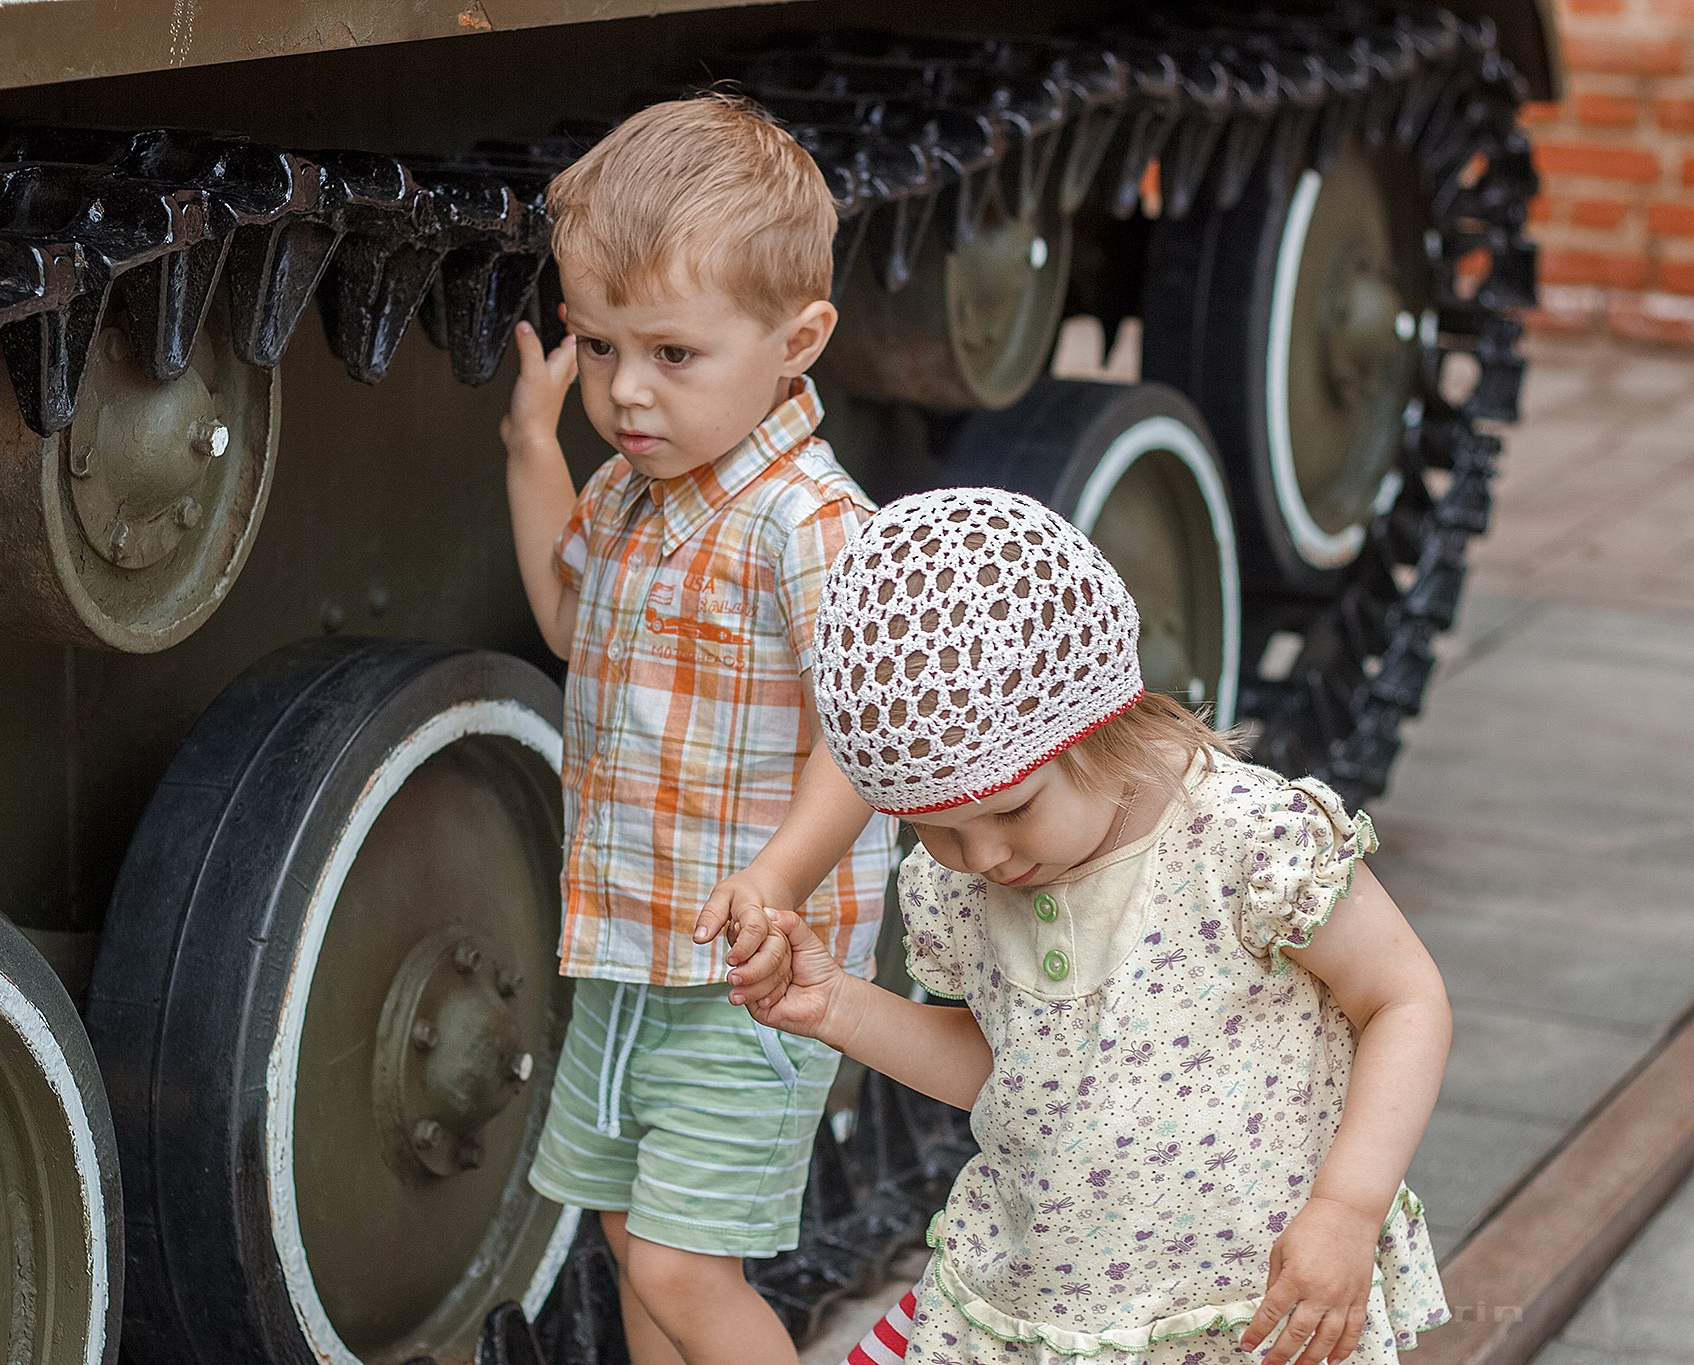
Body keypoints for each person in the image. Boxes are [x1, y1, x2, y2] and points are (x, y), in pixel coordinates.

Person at [731, 488, 1453, 1365]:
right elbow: (1010, 1071)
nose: (984, 855)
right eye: (934, 827)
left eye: (1011, 810)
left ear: (1100, 725)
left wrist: (1346, 1207)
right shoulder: (963, 885)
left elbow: (1403, 999)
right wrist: (836, 1008)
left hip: (1237, 1310)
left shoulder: (1242, 841)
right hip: (1045, 1309)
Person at [499, 91, 898, 1365]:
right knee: (631, 1243)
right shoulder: (628, 490)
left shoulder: (806, 522)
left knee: (680, 1259)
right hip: (627, 939)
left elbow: (864, 736)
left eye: (672, 355)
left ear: (798, 339)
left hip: (754, 971)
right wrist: (528, 447)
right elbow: (568, 621)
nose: (624, 392)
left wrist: (778, 878)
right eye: (598, 346)